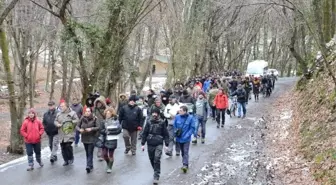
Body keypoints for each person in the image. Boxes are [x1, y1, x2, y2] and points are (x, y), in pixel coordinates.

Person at [141, 108, 170, 184]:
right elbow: (145, 133)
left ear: (158, 114)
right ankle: (156, 170)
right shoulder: (148, 122)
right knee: (152, 159)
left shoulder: (162, 122)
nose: (154, 114)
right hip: (150, 143)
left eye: (155, 113)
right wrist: (143, 144)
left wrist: (166, 144)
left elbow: (166, 134)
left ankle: (156, 175)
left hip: (159, 143)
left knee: (157, 158)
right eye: (153, 113)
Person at [54, 102, 79, 166]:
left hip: (69, 133)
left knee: (68, 146)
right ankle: (65, 160)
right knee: (63, 147)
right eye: (60, 106)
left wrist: (70, 122)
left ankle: (71, 157)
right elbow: (55, 121)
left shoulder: (72, 113)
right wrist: (57, 124)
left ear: (66, 106)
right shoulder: (58, 114)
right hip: (61, 133)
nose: (61, 107)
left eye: (62, 106)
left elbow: (77, 120)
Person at [76, 108, 99, 173]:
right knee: (87, 152)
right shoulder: (82, 118)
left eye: (89, 111)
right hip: (84, 138)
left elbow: (98, 127)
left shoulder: (94, 118)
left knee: (90, 152)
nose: (87, 112)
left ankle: (88, 166)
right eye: (86, 111)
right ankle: (90, 165)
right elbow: (77, 126)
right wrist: (79, 130)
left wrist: (91, 129)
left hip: (92, 137)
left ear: (91, 112)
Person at [173, 106, 196, 173]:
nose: (179, 112)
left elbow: (192, 128)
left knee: (185, 151)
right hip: (179, 138)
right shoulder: (177, 117)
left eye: (181, 110)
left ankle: (185, 165)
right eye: (179, 110)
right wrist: (175, 133)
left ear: (185, 111)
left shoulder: (190, 118)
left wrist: (187, 135)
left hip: (186, 139)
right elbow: (174, 126)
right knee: (182, 152)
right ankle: (185, 163)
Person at [99, 108, 122, 173]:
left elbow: (119, 130)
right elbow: (101, 130)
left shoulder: (116, 121)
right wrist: (105, 131)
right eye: (106, 113)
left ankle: (109, 167)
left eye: (109, 113)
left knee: (111, 154)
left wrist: (111, 132)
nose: (107, 114)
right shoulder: (103, 121)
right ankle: (108, 163)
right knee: (104, 154)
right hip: (104, 139)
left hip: (112, 139)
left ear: (112, 114)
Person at [93, 96, 107, 161]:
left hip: (103, 127)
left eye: (100, 103)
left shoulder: (106, 109)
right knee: (98, 140)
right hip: (96, 127)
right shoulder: (94, 109)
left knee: (102, 140)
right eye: (97, 103)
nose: (98, 104)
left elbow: (108, 117)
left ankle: (101, 154)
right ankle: (100, 152)